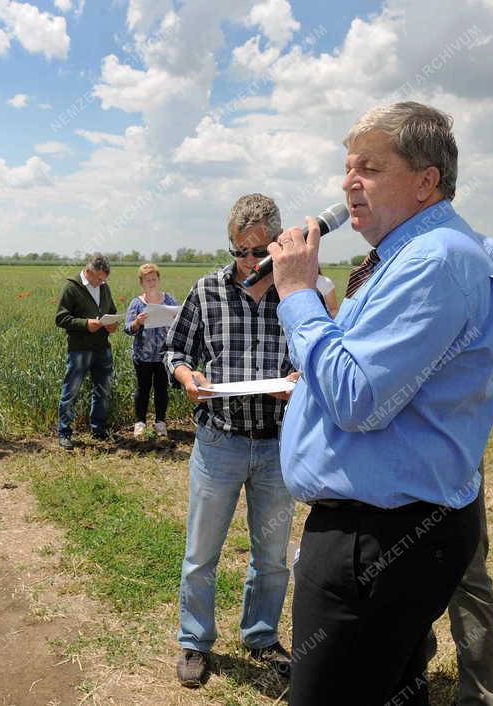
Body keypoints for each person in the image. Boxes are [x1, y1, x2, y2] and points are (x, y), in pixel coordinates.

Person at [268, 102, 493, 706]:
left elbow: (358, 399)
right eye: (347, 167)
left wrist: (296, 293)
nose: (350, 182)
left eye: (370, 168)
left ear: (427, 180)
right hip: (385, 530)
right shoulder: (404, 257)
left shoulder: (434, 260)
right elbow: (362, 374)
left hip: (377, 538)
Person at [165, 194, 298, 688]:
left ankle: (261, 637)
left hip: (277, 444)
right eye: (239, 250)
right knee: (202, 551)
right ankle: (195, 642)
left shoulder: (296, 296)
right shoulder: (207, 291)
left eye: (257, 251)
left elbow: (316, 354)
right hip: (219, 441)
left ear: (277, 245)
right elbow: (175, 349)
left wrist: (301, 376)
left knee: (272, 554)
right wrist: (185, 374)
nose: (247, 261)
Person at [423, 235, 493, 706]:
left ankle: (484, 693)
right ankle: (407, 673)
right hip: (388, 442)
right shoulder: (389, 254)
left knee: (466, 565)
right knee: (399, 560)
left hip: (453, 441)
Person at [54, 254, 117, 450]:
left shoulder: (104, 287)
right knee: (71, 391)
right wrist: (85, 324)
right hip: (79, 350)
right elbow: (61, 318)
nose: (102, 282)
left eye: (104, 279)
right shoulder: (72, 288)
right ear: (88, 271)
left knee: (103, 390)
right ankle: (64, 433)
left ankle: (98, 429)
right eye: (99, 278)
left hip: (102, 348)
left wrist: (112, 323)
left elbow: (112, 311)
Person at [123, 263, 178, 438]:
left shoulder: (169, 300)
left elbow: (178, 322)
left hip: (163, 355)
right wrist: (137, 322)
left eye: (154, 279)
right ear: (141, 282)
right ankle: (140, 423)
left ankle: (160, 422)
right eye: (148, 280)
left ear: (158, 280)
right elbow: (127, 329)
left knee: (162, 389)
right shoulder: (137, 303)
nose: (152, 283)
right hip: (142, 356)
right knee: (143, 388)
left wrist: (176, 318)